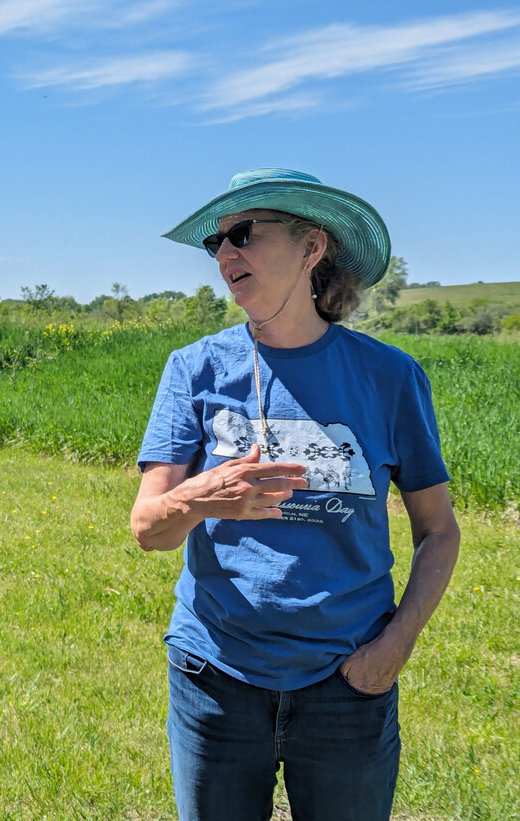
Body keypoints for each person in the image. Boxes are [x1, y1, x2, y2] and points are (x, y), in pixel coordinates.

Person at [131, 168, 460, 820]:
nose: (225, 254)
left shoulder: (389, 376)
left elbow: (439, 530)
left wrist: (392, 650)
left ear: (312, 247)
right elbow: (148, 527)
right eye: (216, 243)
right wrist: (199, 498)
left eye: (243, 235)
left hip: (349, 682)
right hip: (215, 680)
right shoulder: (192, 369)